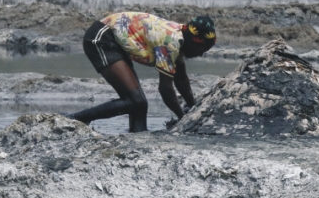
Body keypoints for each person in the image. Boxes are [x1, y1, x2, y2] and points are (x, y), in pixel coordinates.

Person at [70, 12, 216, 132]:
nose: (201, 55)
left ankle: (137, 135)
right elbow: (165, 88)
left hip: (116, 42)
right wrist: (182, 118)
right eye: (202, 50)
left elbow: (181, 80)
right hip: (102, 37)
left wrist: (194, 107)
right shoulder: (170, 42)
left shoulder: (181, 39)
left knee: (139, 104)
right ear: (193, 42)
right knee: (135, 100)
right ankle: (76, 119)